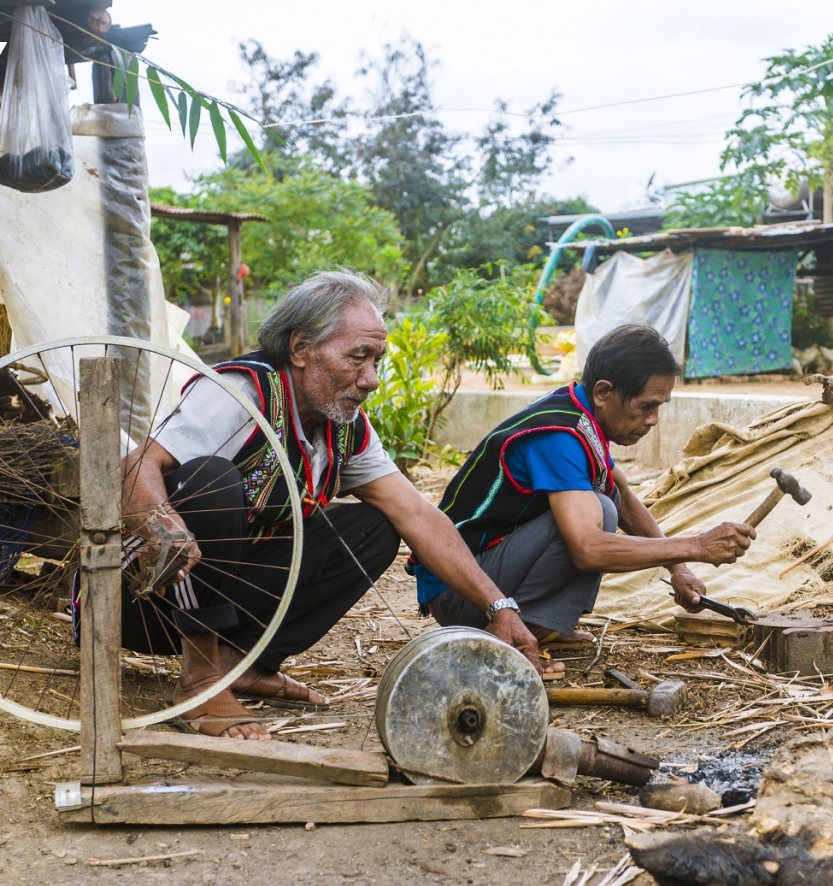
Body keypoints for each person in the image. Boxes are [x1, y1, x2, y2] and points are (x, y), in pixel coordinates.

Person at [119, 271, 544, 739]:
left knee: (376, 525)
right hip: (147, 600)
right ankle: (199, 681)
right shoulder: (241, 394)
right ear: (301, 349)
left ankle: (242, 664)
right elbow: (139, 465)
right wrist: (163, 528)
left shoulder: (343, 425)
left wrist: (498, 606)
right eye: (357, 357)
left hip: (231, 607)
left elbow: (417, 515)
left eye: (377, 360)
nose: (372, 380)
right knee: (209, 480)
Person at [413, 324, 755, 658]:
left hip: (485, 570)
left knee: (608, 500)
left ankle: (542, 623)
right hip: (460, 592)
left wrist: (678, 567)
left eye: (659, 407)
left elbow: (625, 496)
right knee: (598, 511)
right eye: (646, 406)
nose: (653, 420)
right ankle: (519, 630)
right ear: (604, 392)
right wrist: (696, 545)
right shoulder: (559, 437)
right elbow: (587, 550)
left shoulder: (581, 412)